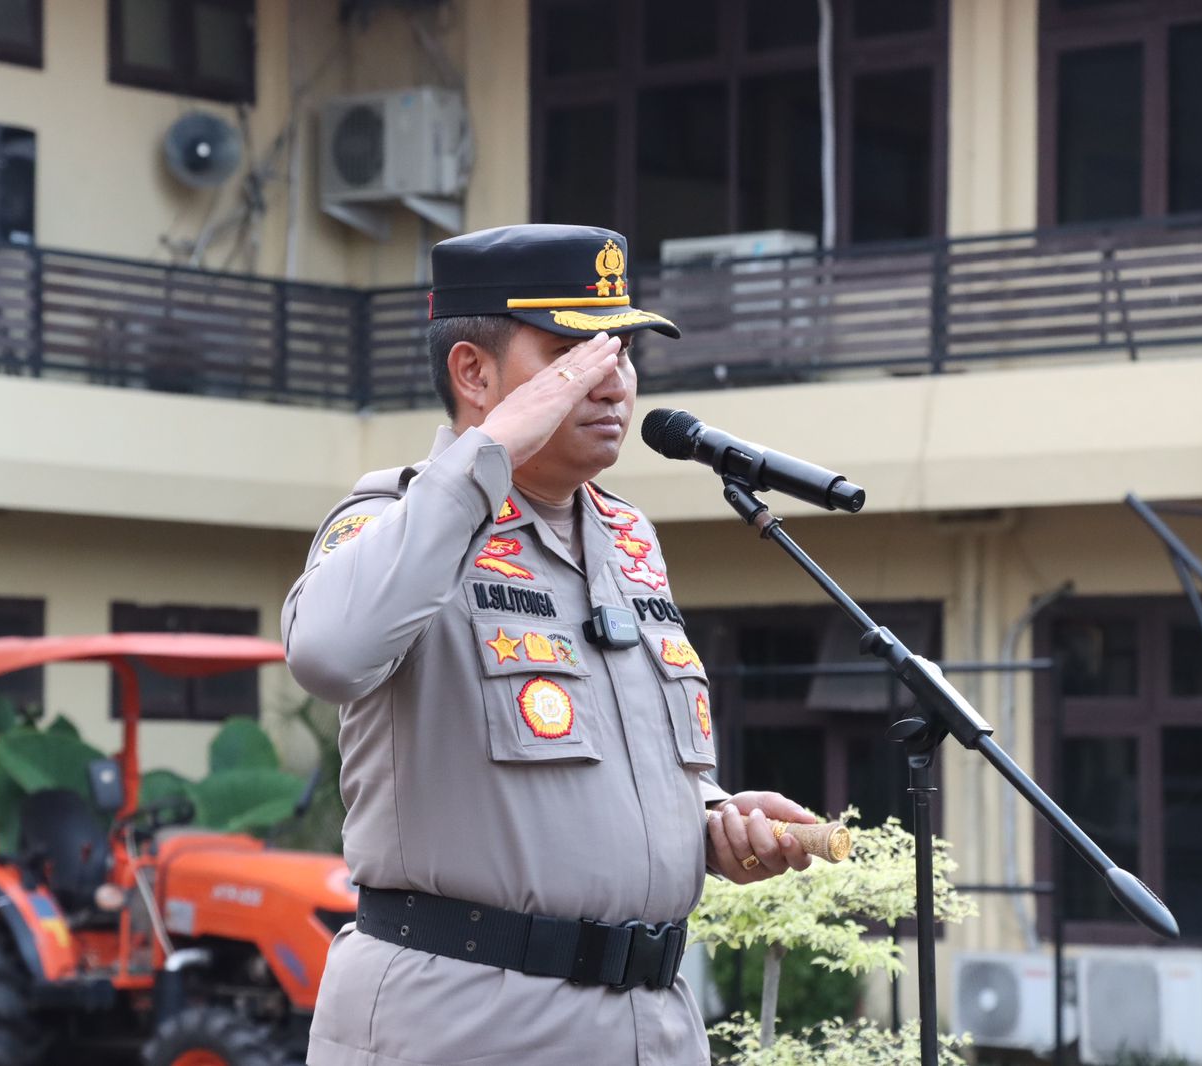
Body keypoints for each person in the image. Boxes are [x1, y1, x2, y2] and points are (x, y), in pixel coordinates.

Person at [283, 223, 819, 1065]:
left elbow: (613, 755)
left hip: (649, 1023)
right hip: (468, 1021)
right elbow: (328, 654)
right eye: (574, 355)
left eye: (623, 354)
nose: (613, 383)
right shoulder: (395, 521)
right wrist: (488, 455)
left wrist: (713, 820)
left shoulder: (629, 539)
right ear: (474, 373)